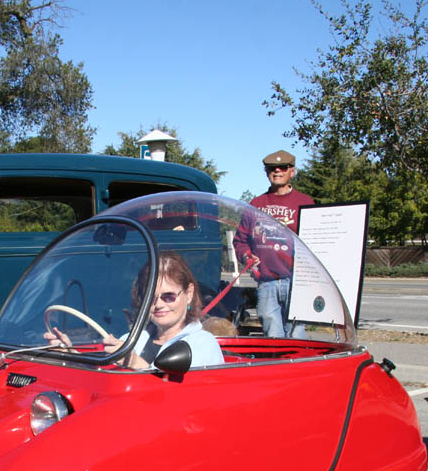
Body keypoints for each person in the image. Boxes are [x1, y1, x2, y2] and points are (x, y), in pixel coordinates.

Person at [47, 251, 224, 369]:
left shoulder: (202, 345)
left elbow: (180, 399)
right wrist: (69, 353)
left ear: (189, 293)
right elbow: (102, 376)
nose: (159, 305)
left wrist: (135, 363)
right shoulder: (133, 339)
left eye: (168, 296)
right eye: (151, 299)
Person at [233, 150, 314, 338]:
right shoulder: (256, 204)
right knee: (272, 334)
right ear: (266, 172)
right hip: (266, 280)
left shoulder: (305, 202)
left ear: (292, 172)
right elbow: (240, 240)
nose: (277, 171)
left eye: (283, 167)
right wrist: (246, 256)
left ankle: (299, 367)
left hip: (296, 280)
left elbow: (315, 241)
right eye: (271, 168)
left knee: (297, 332)